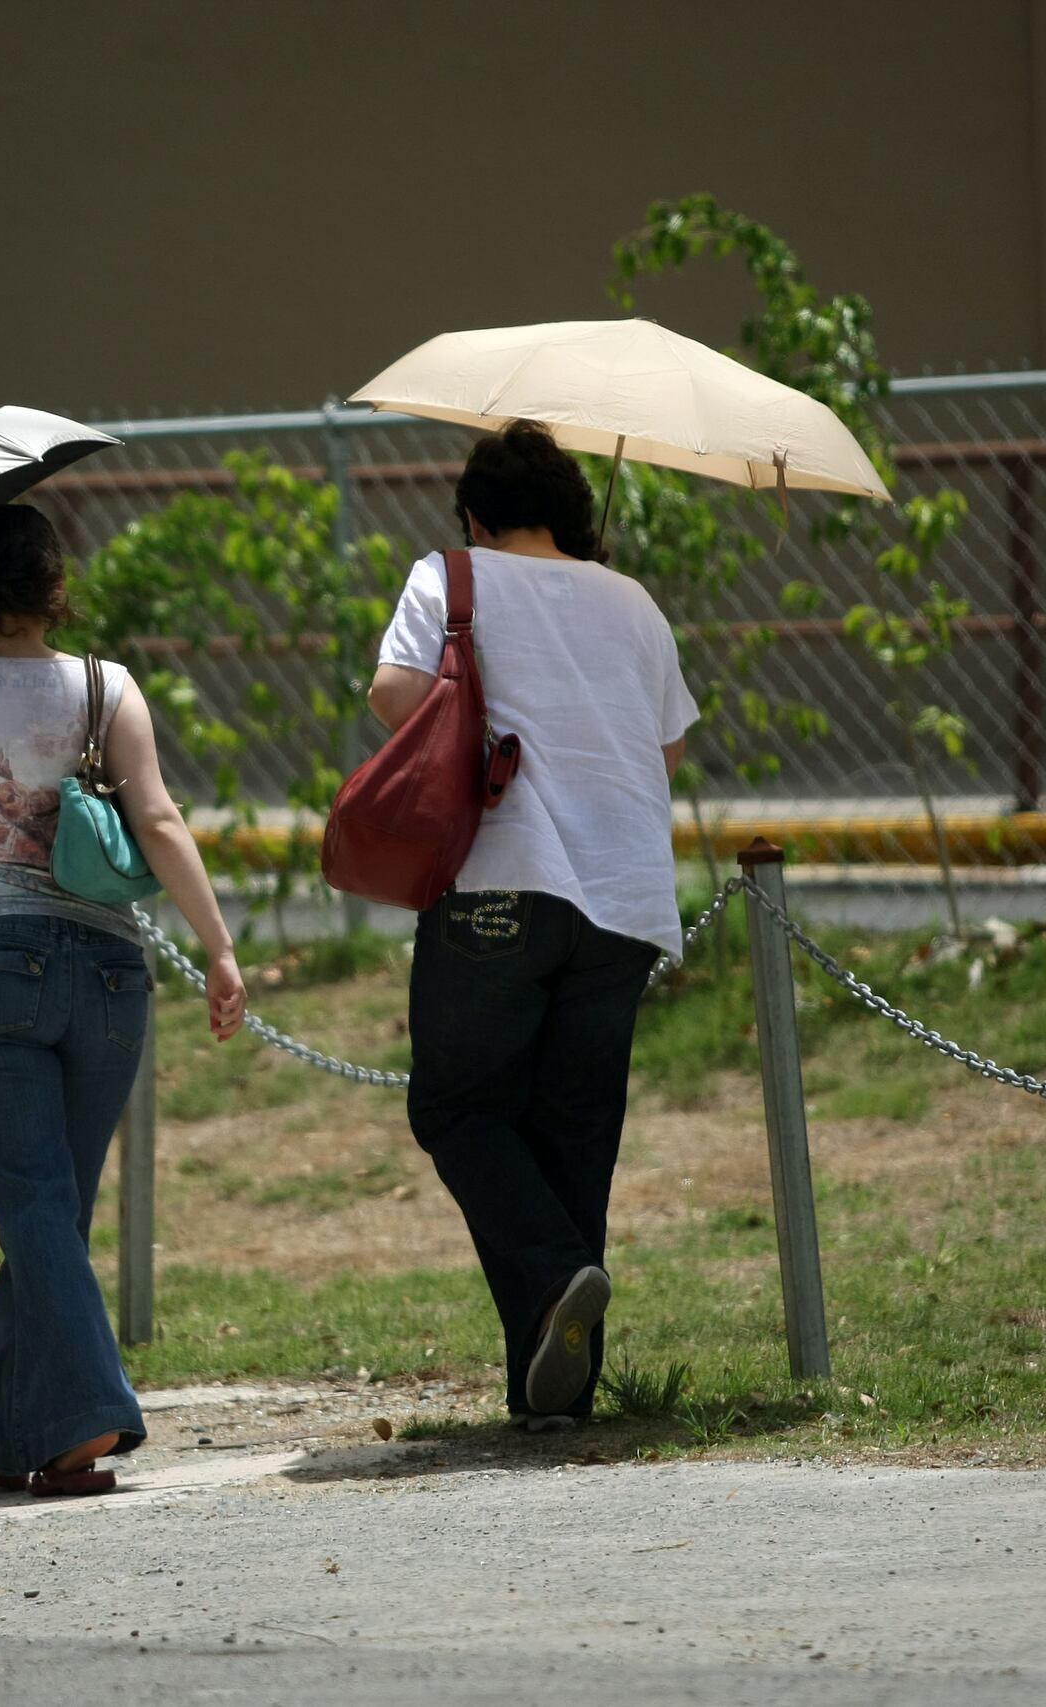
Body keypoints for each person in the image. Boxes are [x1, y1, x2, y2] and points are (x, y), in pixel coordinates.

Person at [0, 503, 246, 1497]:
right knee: (55, 1213)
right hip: (109, 978)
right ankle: (4, 1423)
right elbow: (158, 818)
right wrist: (217, 948)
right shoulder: (106, 688)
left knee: (38, 1210)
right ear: (53, 587)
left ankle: (85, 1422)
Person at [367, 419, 698, 1430]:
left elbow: (391, 694)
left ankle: (556, 1274)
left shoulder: (451, 577)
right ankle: (555, 1395)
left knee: (460, 1111)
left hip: (501, 884)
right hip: (623, 900)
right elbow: (667, 752)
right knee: (572, 1135)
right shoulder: (634, 603)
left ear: (475, 511)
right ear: (572, 514)